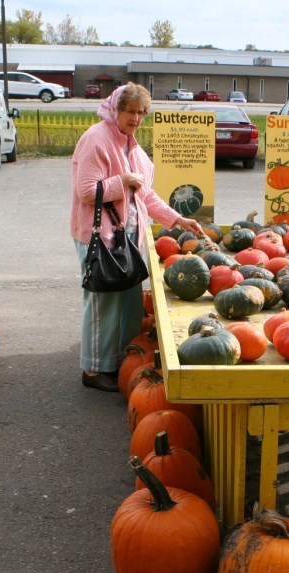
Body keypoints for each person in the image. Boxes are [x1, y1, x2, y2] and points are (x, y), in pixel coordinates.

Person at [70, 82, 202, 392]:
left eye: (141, 112)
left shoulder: (132, 146)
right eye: (129, 111)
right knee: (103, 302)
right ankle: (92, 369)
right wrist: (123, 180)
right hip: (98, 235)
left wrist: (177, 219)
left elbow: (146, 196)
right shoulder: (96, 139)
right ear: (114, 109)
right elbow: (87, 192)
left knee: (128, 302)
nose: (135, 118)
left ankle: (116, 362)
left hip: (127, 235)